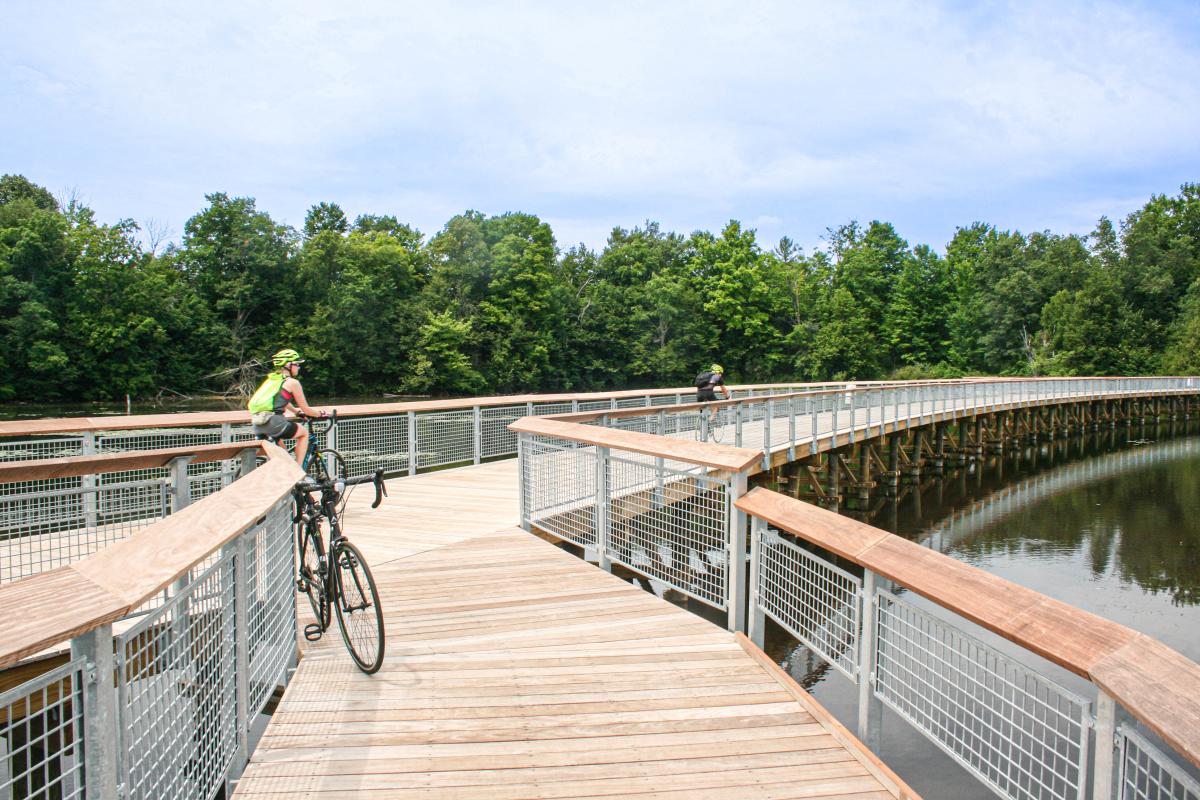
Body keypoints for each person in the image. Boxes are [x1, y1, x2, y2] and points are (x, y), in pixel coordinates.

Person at [248, 348, 327, 466]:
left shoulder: (272, 380)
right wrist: (320, 414)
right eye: (297, 364)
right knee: (304, 433)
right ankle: (298, 473)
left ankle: (282, 473)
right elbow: (306, 409)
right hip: (274, 422)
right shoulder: (293, 383)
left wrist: (295, 411)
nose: (299, 367)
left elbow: (278, 399)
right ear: (288, 365)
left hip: (257, 423)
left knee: (283, 456)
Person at [695, 364, 731, 439]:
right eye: (720, 373)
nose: (720, 375)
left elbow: (699, 387)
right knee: (716, 406)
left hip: (699, 395)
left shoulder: (704, 375)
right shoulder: (717, 376)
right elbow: (723, 389)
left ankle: (703, 424)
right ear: (718, 372)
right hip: (709, 393)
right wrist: (727, 397)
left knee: (702, 411)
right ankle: (710, 420)